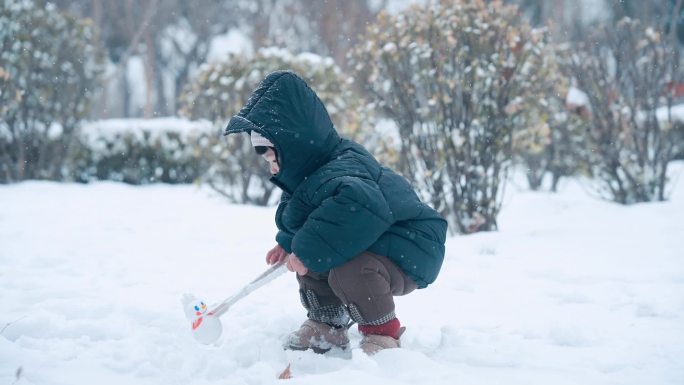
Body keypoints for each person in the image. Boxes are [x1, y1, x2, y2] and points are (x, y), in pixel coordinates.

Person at [223, 70, 447, 355]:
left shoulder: (343, 169)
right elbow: (312, 216)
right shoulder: (314, 172)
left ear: (294, 147)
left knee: (345, 267)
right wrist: (289, 243)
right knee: (314, 254)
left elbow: (361, 208)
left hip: (412, 244)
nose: (273, 169)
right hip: (376, 239)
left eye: (273, 158)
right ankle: (327, 324)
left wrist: (304, 249)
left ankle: (383, 332)